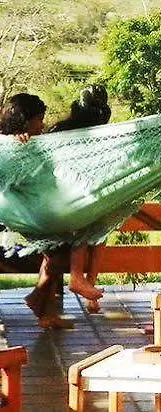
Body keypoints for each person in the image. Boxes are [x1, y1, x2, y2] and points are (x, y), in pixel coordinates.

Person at [0, 88, 110, 327]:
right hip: (14, 219)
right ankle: (45, 301)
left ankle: (43, 306)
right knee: (64, 243)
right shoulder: (10, 146)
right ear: (24, 121)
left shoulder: (34, 143)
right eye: (38, 120)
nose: (42, 125)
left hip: (31, 214)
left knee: (61, 245)